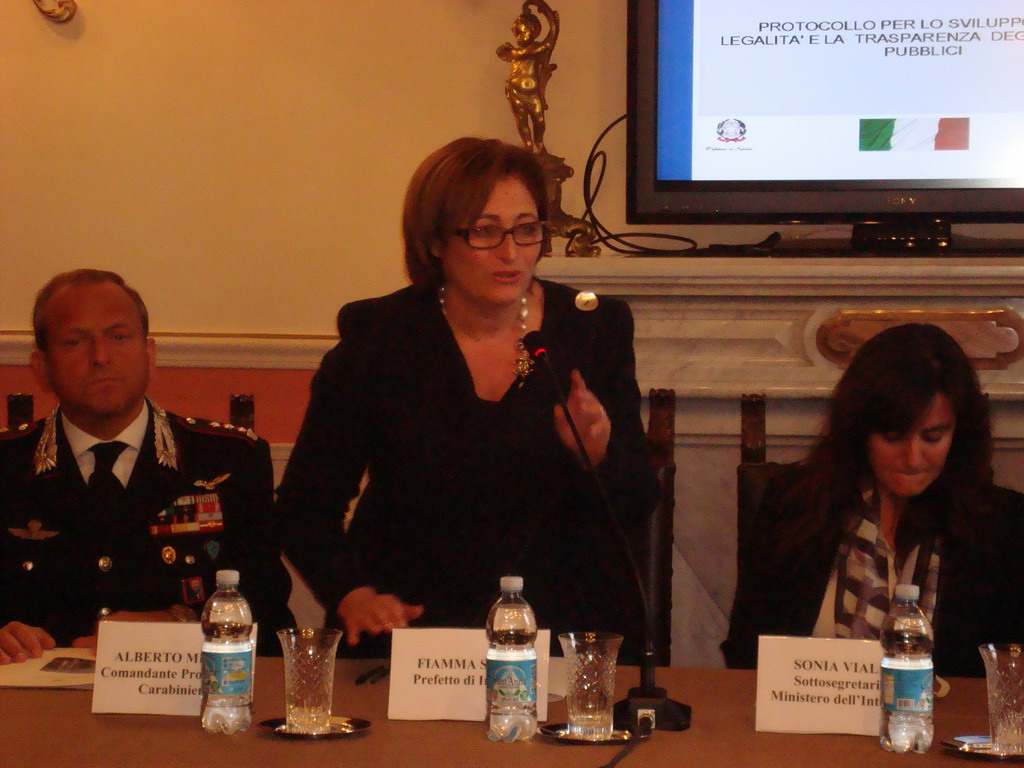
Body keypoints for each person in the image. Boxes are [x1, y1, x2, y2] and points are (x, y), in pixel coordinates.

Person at [278, 137, 658, 661]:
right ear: (436, 240)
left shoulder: (593, 330)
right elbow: (304, 506)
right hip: (412, 635)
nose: (510, 252)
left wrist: (598, 457)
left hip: (560, 632)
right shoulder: (380, 337)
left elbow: (639, 501)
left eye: (526, 229)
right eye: (484, 231)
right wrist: (352, 594)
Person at [0, 270, 293, 663]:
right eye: (74, 341)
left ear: (150, 354)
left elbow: (269, 613)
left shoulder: (227, 460)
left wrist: (179, 625)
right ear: (41, 367)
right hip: (27, 692)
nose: (100, 357)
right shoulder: (8, 464)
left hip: (178, 691)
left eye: (119, 337)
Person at [722, 323, 1024, 677]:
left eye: (933, 437)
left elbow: (1009, 673)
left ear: (959, 433)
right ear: (859, 429)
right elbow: (747, 653)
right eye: (893, 437)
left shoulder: (1004, 526)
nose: (913, 458)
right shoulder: (795, 504)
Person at [496, 2, 559, 154]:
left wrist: (554, 26)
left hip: (533, 94)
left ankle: (539, 142)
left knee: (539, 120)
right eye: (517, 34)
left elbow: (549, 43)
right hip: (515, 92)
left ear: (534, 32)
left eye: (523, 33)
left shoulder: (536, 49)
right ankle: (528, 146)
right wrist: (553, 28)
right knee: (522, 121)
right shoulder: (515, 52)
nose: (519, 37)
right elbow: (545, 45)